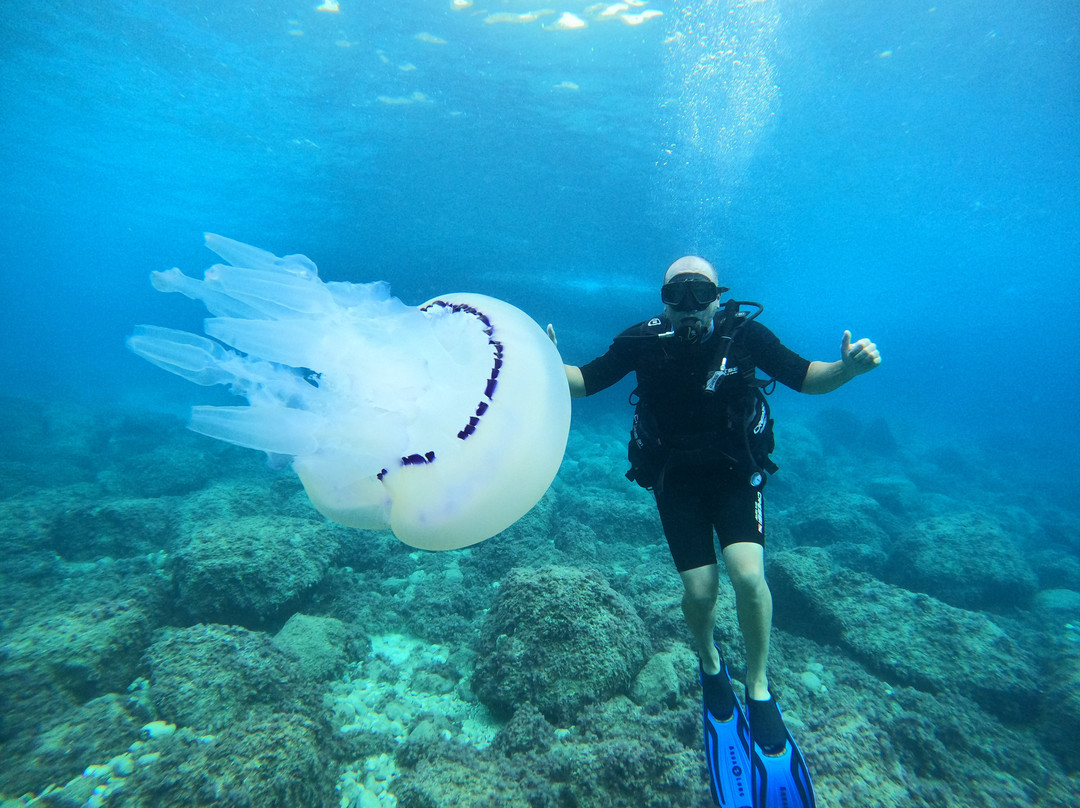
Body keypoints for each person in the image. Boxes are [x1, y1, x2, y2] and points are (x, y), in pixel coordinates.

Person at [548, 255, 880, 806]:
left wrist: (847, 369)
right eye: (676, 294)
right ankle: (709, 661)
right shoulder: (642, 339)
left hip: (734, 473)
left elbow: (804, 376)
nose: (688, 306)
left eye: (699, 293)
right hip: (674, 478)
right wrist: (544, 360)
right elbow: (584, 381)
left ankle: (758, 686)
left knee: (748, 575)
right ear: (662, 299)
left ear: (718, 296)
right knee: (700, 591)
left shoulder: (744, 334)